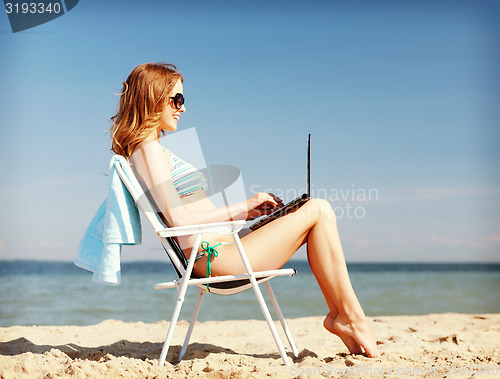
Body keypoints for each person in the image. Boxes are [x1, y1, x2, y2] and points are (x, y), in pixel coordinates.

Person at [110, 62, 378, 358]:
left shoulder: (153, 150)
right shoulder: (148, 150)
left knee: (312, 211)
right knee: (319, 209)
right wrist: (244, 205)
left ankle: (346, 316)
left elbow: (191, 215)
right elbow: (180, 219)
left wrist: (248, 216)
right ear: (153, 97)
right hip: (216, 260)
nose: (182, 108)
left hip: (224, 246)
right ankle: (348, 316)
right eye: (177, 99)